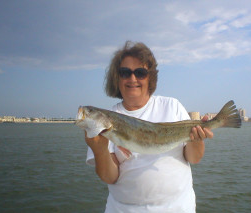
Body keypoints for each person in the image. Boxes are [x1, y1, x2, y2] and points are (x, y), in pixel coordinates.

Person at [85, 41, 213, 213]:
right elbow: (109, 176)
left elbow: (194, 158)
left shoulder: (172, 106)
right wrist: (99, 149)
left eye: (140, 73)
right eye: (125, 73)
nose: (132, 79)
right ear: (117, 78)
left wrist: (197, 140)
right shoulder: (106, 120)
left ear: (150, 77)